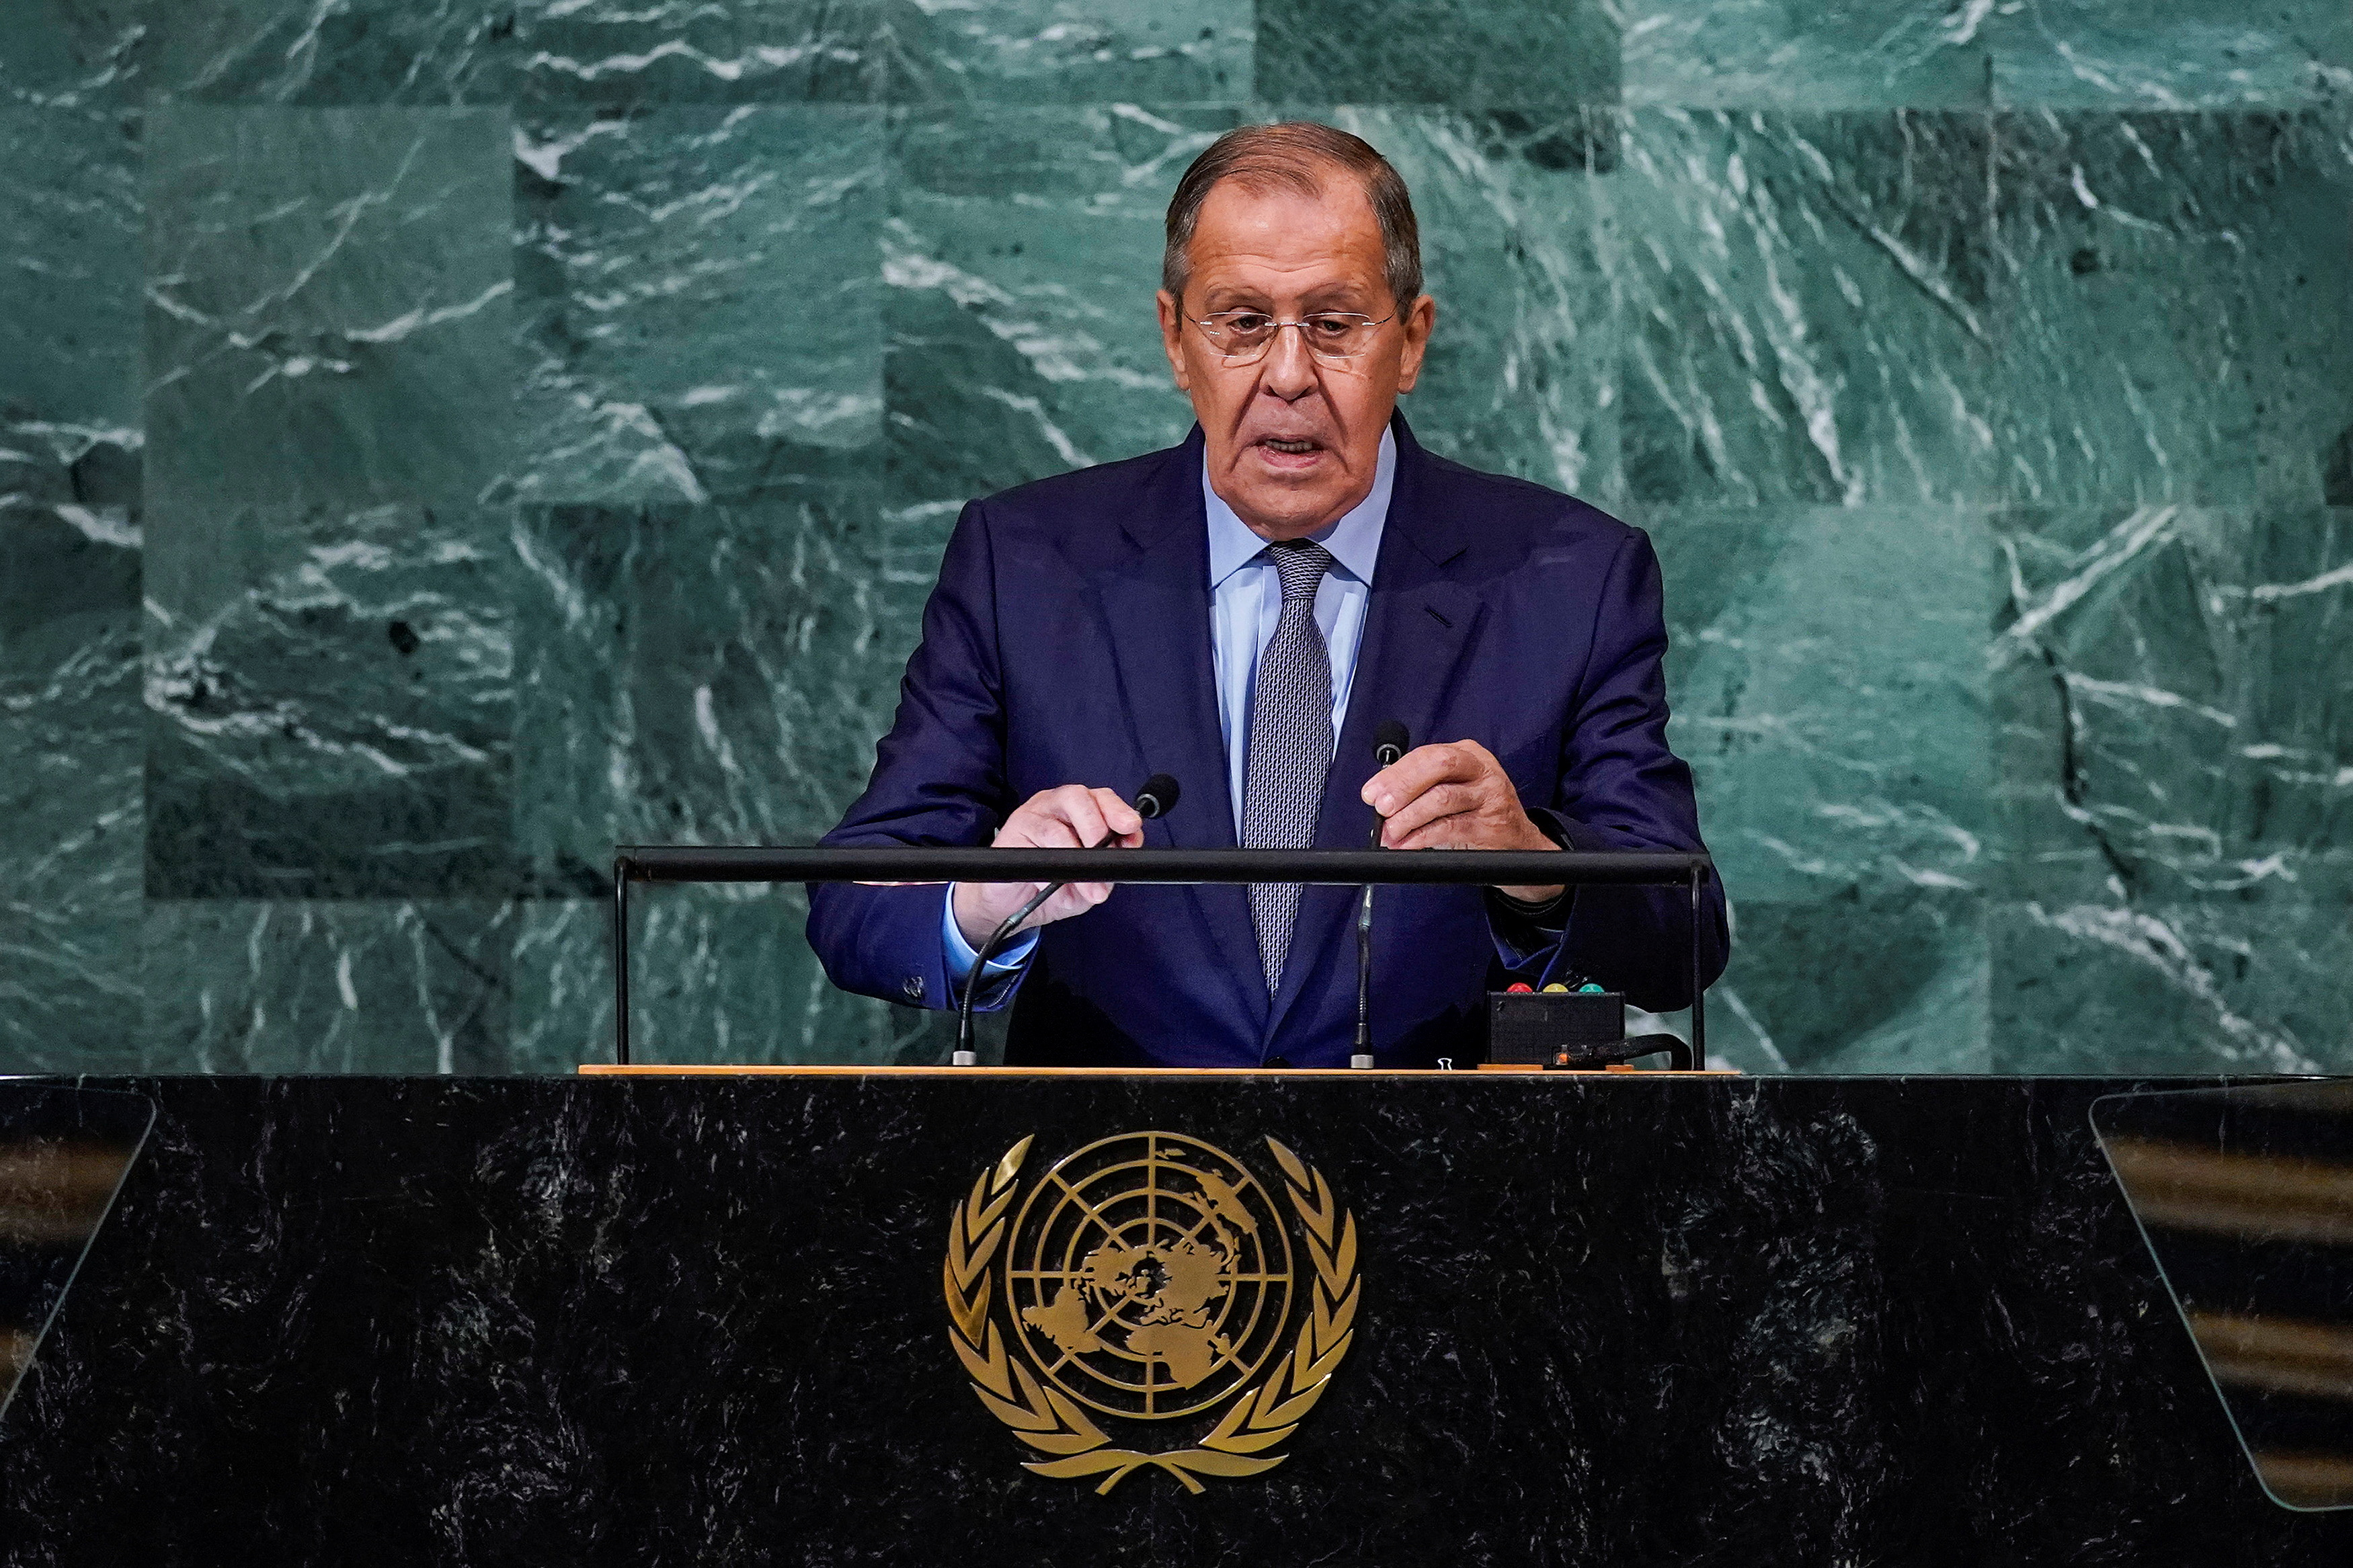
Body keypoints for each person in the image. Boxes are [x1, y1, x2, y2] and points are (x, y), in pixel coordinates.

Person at [807, 122, 1728, 1068]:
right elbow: (853, 906)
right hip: (1123, 1192)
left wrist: (1537, 868)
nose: (1289, 375)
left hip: (1445, 1191)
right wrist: (985, 898)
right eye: (1244, 322)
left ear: (1410, 342)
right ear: (1175, 338)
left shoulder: (1571, 578)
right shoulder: (1025, 565)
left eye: (1333, 325)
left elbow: (1684, 933)